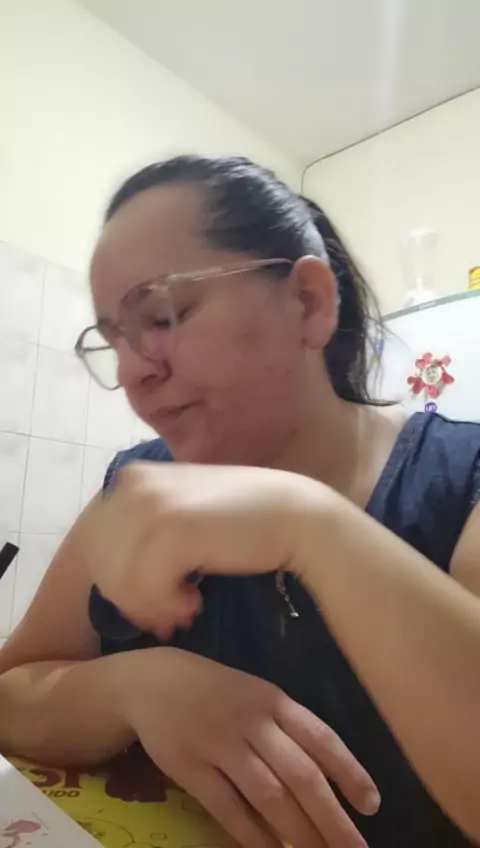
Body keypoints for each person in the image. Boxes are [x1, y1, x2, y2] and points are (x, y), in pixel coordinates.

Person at [0, 156, 479, 848]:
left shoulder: (459, 483)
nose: (131, 372)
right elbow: (11, 692)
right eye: (112, 341)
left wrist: (310, 527)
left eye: (160, 315)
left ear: (307, 302)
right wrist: (139, 687)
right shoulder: (136, 491)